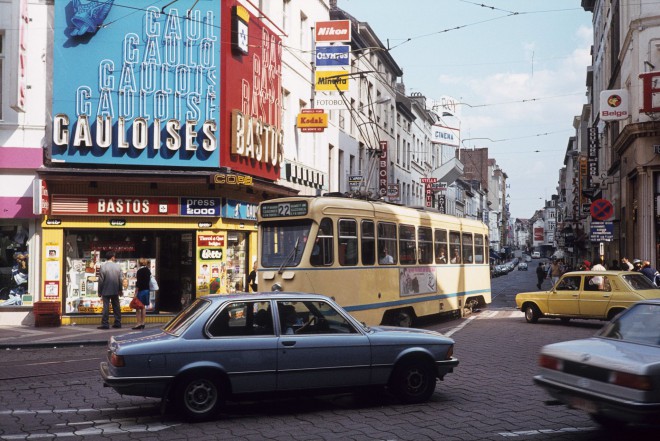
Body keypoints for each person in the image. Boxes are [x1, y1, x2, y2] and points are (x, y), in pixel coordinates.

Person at [98, 251, 122, 329]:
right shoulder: (118, 267)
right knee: (116, 307)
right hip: (115, 290)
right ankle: (117, 322)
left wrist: (99, 291)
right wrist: (120, 290)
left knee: (106, 308)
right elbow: (120, 279)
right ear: (112, 257)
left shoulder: (103, 267)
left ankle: (105, 324)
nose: (115, 258)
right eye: (114, 257)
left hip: (105, 290)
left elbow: (101, 280)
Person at [132, 258, 151, 330]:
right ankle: (143, 323)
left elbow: (138, 283)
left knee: (138, 307)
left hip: (141, 290)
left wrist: (135, 293)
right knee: (143, 307)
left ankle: (138, 323)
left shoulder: (139, 271)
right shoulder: (148, 271)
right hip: (146, 290)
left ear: (139, 263)